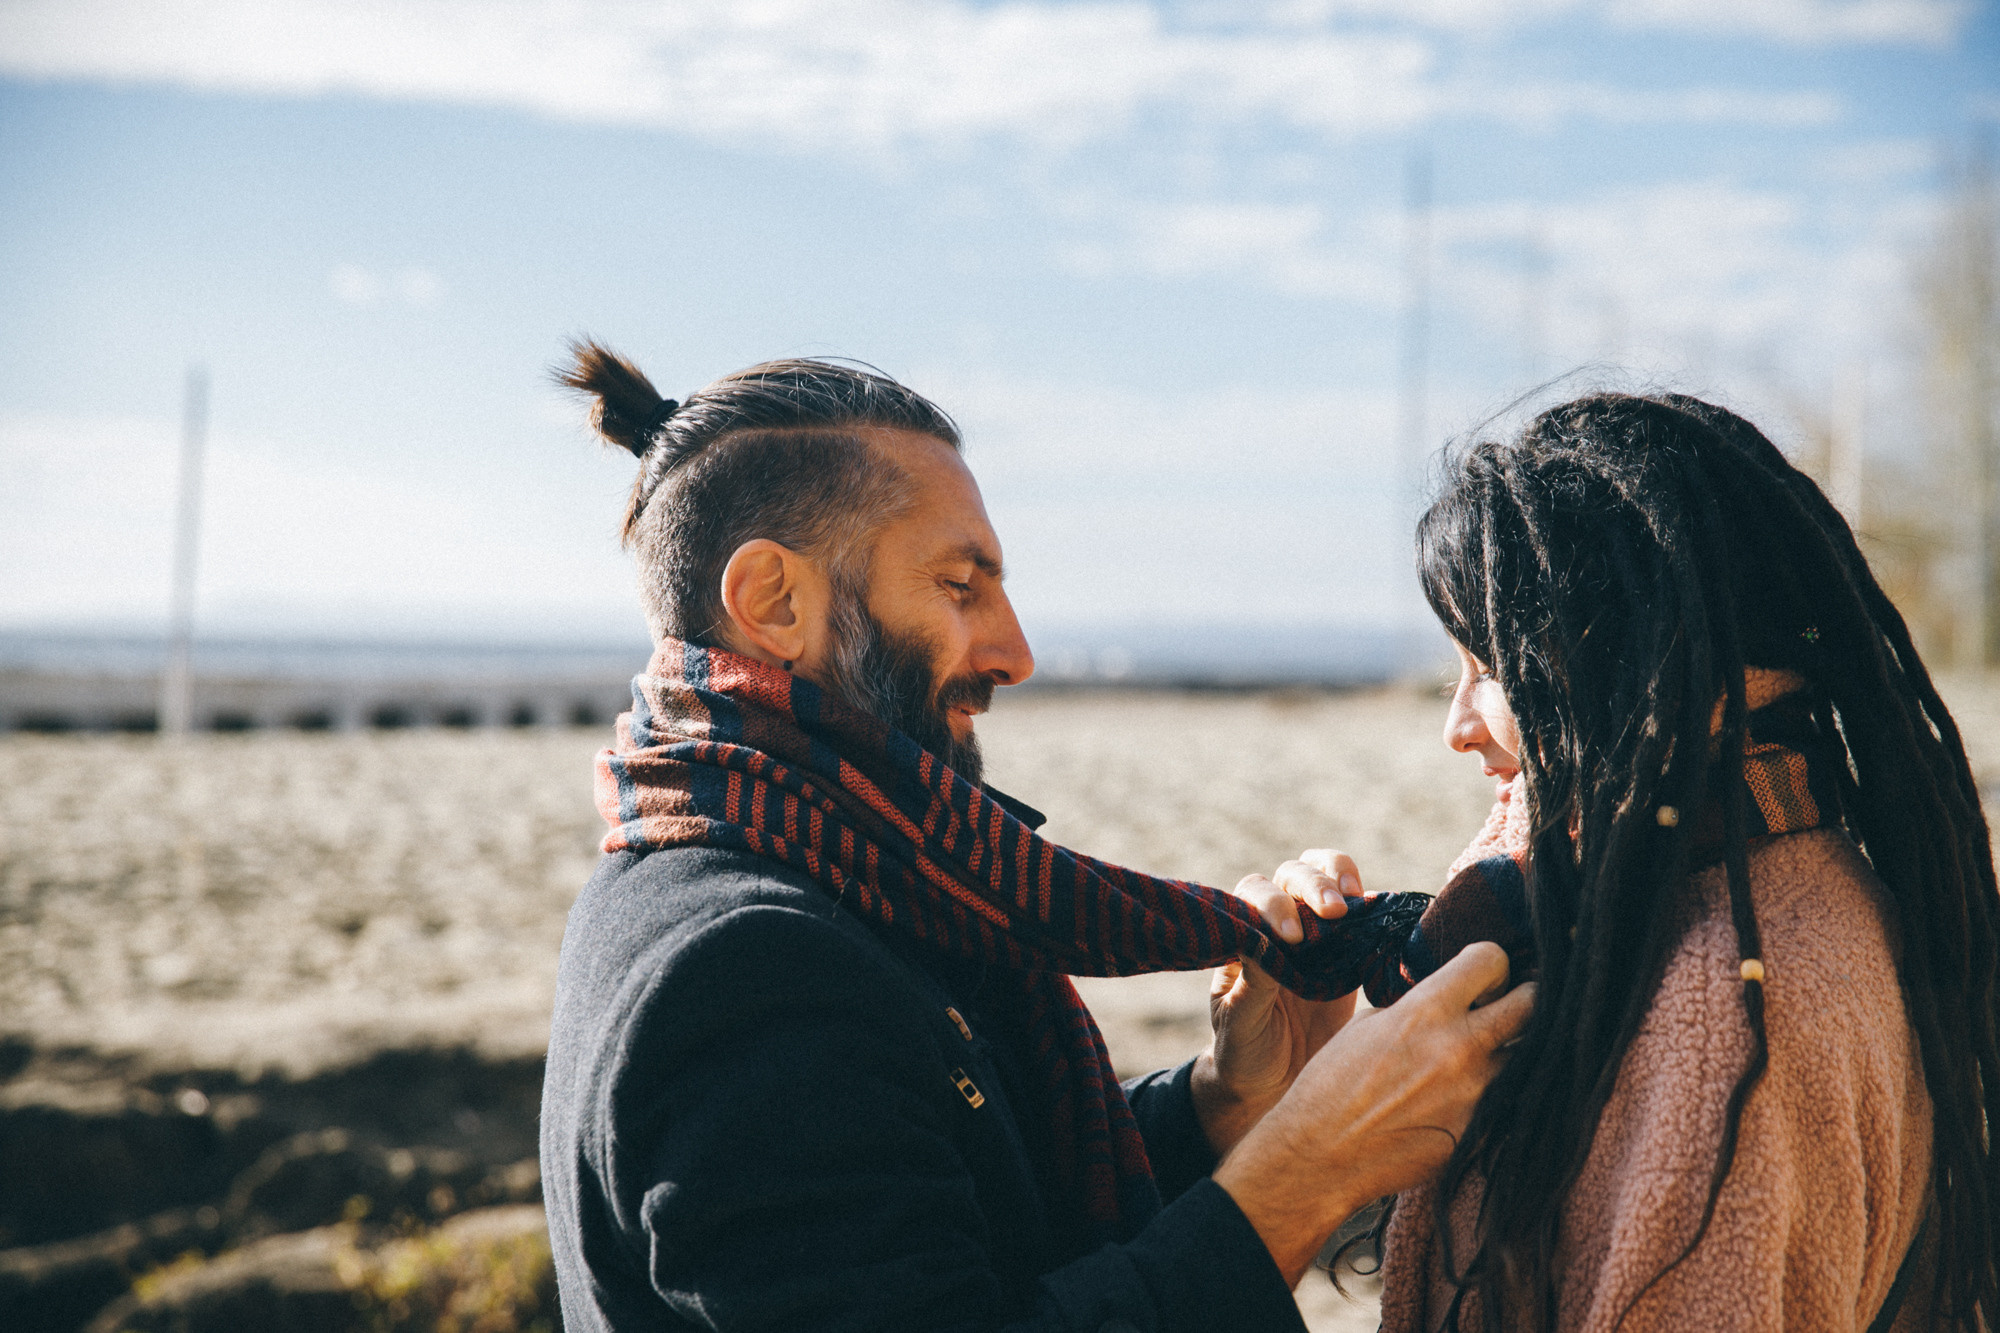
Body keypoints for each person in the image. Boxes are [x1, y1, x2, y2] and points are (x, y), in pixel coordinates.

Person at [537, 340, 1534, 1332]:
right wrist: (1308, 1171)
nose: (1014, 653)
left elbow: (959, 1198)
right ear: (774, 602)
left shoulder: (835, 866)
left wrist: (1223, 1102)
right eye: (958, 585)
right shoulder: (743, 967)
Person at [1249, 392, 1999, 1330]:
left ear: (1630, 665)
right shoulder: (1751, 882)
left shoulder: (1726, 1023)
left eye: (1491, 667)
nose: (1457, 725)